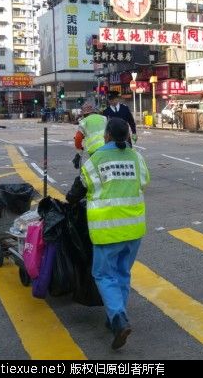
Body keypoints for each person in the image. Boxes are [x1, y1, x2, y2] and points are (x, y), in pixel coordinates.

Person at [66, 118, 150, 350]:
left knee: (103, 275)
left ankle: (118, 319)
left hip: (107, 229)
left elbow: (78, 189)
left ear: (107, 136)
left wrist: (71, 200)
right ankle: (115, 315)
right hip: (134, 229)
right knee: (123, 273)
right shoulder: (136, 157)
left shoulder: (96, 160)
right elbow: (144, 182)